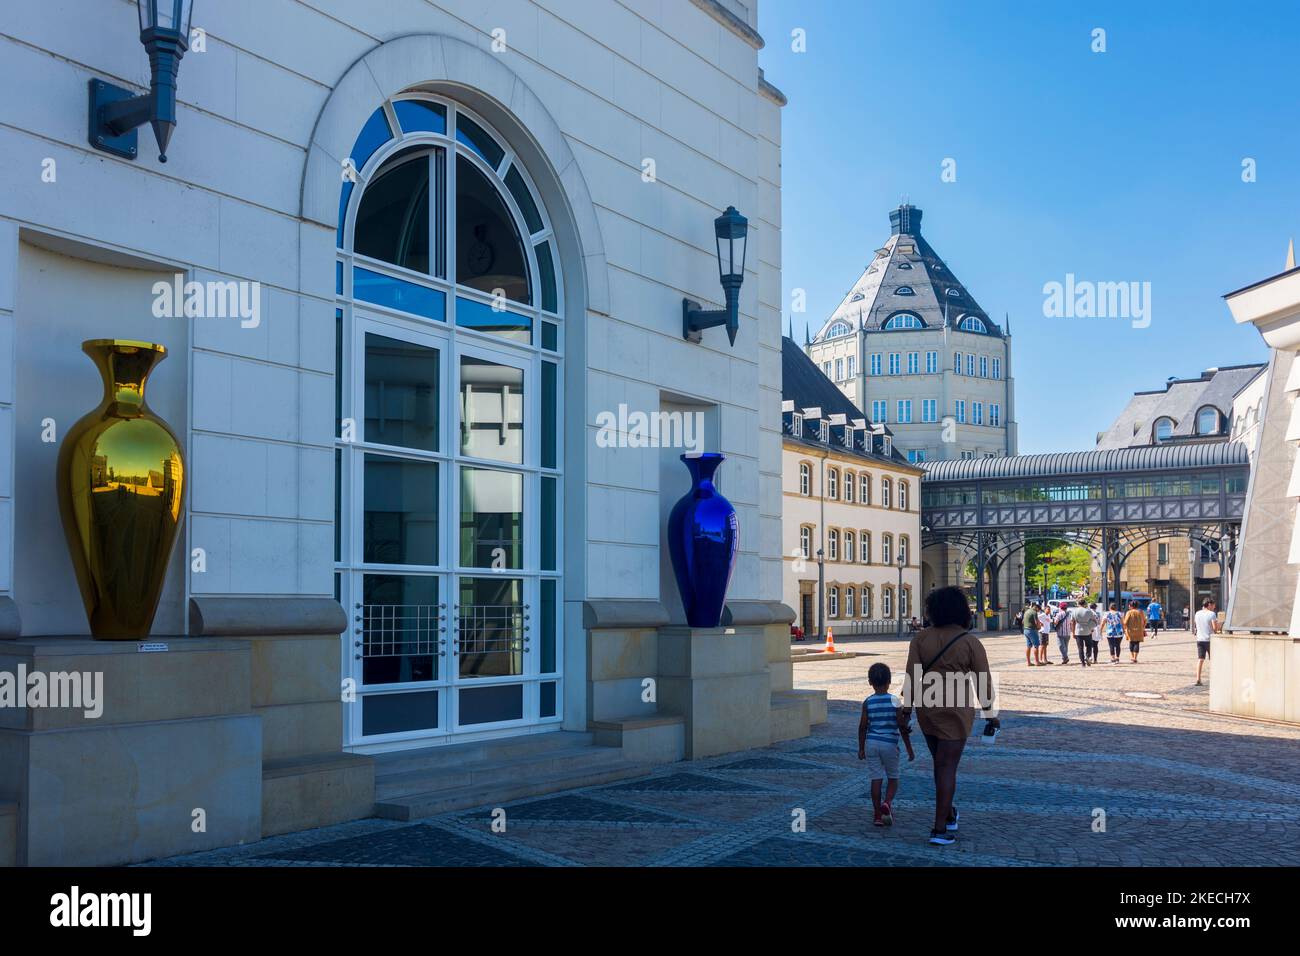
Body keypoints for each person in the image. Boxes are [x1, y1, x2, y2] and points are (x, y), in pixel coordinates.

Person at [901, 586, 999, 846]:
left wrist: (906, 709)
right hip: (956, 706)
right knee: (946, 766)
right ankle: (939, 828)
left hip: (927, 705)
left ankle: (949, 811)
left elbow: (912, 676)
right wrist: (991, 714)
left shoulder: (920, 639)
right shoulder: (970, 642)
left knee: (940, 764)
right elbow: (982, 680)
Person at [857, 662, 915, 826]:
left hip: (871, 744)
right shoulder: (895, 701)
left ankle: (877, 815)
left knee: (876, 779)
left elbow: (862, 727)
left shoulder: (868, 702)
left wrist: (861, 748)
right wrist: (909, 749)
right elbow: (902, 727)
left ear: (870, 682)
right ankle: (887, 803)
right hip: (890, 744)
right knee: (893, 777)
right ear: (889, 681)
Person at [1194, 598, 1222, 685]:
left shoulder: (1197, 613)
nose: (1214, 607)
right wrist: (1219, 626)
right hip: (1209, 640)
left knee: (1200, 659)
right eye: (1213, 605)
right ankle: (1215, 678)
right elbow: (1215, 628)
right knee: (1213, 660)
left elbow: (1197, 625)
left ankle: (1198, 679)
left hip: (1199, 639)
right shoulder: (1212, 614)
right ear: (1209, 604)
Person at [1070, 601, 1100, 666]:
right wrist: (1091, 627)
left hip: (1078, 631)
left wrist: (1073, 632)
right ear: (1084, 604)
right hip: (1087, 630)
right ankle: (1088, 656)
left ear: (1078, 604)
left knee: (1080, 648)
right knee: (1089, 646)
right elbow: (1094, 620)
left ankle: (1082, 662)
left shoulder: (1074, 611)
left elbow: (1072, 622)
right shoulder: (1088, 611)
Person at [1022, 602, 1041, 667]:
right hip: (1032, 630)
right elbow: (1036, 623)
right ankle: (1037, 662)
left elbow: (1023, 621)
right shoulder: (1034, 612)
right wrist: (1039, 627)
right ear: (1036, 607)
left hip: (1025, 630)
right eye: (1038, 610)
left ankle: (1028, 662)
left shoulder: (1026, 611)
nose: (1038, 612)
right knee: (1036, 645)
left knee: (1028, 646)